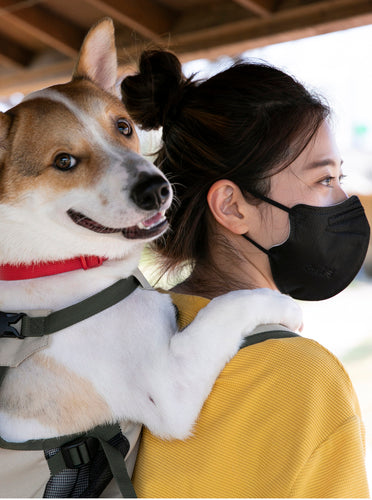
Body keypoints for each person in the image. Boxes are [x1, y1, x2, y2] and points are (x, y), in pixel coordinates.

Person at [121, 50, 370, 497]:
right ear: (233, 207)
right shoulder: (305, 379)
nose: (344, 203)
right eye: (324, 180)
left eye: (339, 177)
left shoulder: (125, 332)